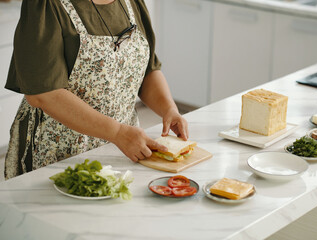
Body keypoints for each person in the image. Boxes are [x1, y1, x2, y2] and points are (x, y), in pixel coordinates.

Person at [4, 0, 189, 180]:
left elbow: (147, 71)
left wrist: (169, 110)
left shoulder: (133, 2)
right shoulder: (46, 5)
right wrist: (117, 133)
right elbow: (43, 93)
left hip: (124, 147)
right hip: (59, 150)